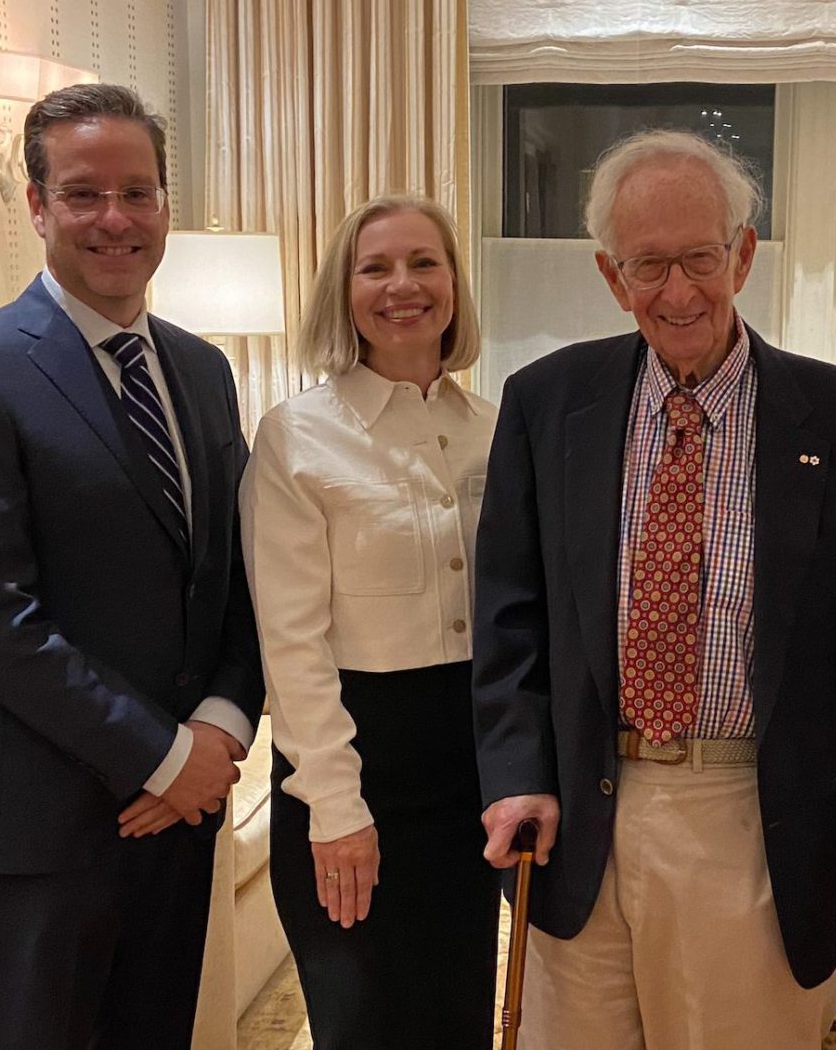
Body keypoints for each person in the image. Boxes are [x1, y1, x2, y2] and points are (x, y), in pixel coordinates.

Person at [472, 129, 836, 1049]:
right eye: (648, 265)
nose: (677, 292)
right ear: (612, 275)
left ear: (743, 255)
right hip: (581, 821)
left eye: (700, 259)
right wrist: (517, 775)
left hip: (751, 816)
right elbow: (511, 614)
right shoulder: (546, 402)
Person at [0, 83, 263, 1050]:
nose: (116, 218)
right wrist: (163, 754)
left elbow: (237, 574)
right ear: (36, 204)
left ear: (166, 205)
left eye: (138, 192)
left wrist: (220, 728)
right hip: (44, 820)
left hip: (183, 811)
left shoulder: (203, 371)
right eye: (83, 193)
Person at [240, 193, 498, 1048]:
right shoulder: (296, 437)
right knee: (365, 1024)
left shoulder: (495, 430)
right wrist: (337, 806)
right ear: (343, 292)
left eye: (425, 262)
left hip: (470, 776)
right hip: (352, 767)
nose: (403, 285)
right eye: (375, 267)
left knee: (458, 1018)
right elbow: (291, 642)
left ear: (454, 282)